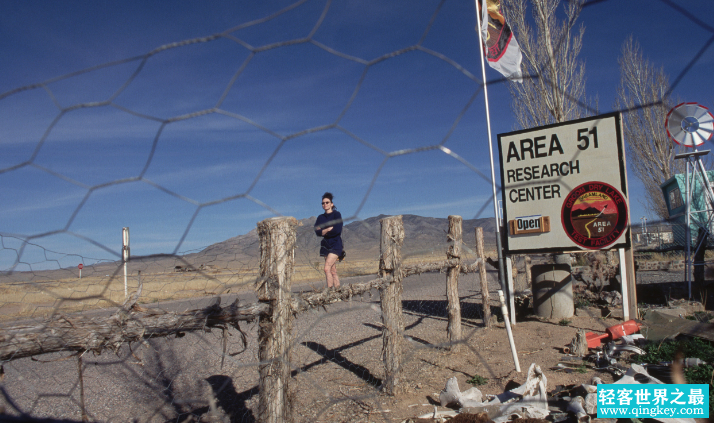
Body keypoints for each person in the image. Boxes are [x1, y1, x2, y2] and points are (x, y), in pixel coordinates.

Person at [314, 192, 343, 289]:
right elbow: (317, 232)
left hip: (336, 244)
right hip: (326, 245)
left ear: (332, 204)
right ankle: (338, 292)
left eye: (327, 202)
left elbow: (337, 230)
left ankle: (330, 292)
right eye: (323, 203)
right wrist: (328, 229)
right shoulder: (320, 218)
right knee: (333, 270)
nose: (325, 204)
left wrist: (324, 231)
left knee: (326, 269)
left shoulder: (336, 215)